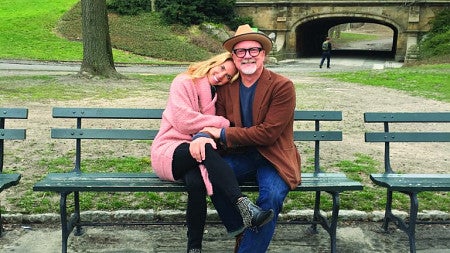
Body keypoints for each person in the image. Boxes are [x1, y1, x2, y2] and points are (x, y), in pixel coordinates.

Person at [150, 52, 274, 253]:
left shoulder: (213, 95)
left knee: (196, 184)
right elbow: (184, 121)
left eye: (228, 77)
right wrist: (221, 124)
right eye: (222, 68)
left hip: (194, 153)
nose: (221, 76)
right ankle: (244, 206)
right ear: (214, 62)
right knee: (205, 146)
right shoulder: (183, 81)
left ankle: (194, 248)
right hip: (169, 151)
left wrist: (205, 134)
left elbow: (203, 130)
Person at [198, 24, 301, 253]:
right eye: (240, 51)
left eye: (253, 50)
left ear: (263, 54)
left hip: (273, 157)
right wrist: (202, 136)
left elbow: (268, 133)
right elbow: (217, 121)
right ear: (233, 57)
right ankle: (241, 228)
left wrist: (223, 134)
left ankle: (247, 249)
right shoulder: (226, 89)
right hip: (241, 155)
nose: (247, 56)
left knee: (271, 197)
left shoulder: (282, 86)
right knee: (211, 176)